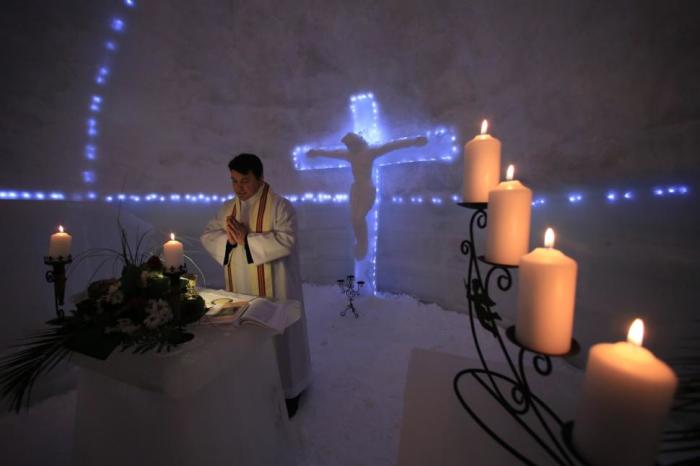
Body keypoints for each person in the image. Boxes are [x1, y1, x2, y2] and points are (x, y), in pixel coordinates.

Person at [201, 153, 311, 417]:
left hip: (277, 286)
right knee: (246, 337)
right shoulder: (228, 209)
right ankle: (253, 387)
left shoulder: (280, 207)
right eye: (234, 181)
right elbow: (207, 235)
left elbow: (286, 241)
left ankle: (289, 391)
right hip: (241, 286)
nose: (239, 188)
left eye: (245, 181)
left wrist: (246, 240)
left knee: (281, 337)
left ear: (261, 178)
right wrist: (229, 240)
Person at [307, 132, 427, 259]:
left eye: (351, 145)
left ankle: (363, 244)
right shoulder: (349, 155)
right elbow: (332, 153)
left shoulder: (370, 152)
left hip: (366, 188)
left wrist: (413, 141)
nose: (350, 148)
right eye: (349, 146)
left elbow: (392, 145)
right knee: (354, 218)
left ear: (357, 143)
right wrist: (317, 152)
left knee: (358, 218)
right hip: (356, 188)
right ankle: (361, 243)